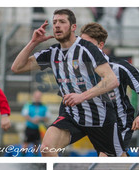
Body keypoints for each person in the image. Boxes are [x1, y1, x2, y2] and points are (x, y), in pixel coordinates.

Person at [11, 9, 123, 157]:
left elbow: (111, 80)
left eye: (62, 22)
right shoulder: (52, 52)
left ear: (73, 27)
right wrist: (33, 42)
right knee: (46, 148)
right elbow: (16, 67)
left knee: (116, 160)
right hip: (72, 115)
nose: (57, 25)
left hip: (100, 117)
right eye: (55, 22)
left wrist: (82, 96)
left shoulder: (87, 49)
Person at [79, 22, 139, 154]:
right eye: (81, 44)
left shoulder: (119, 67)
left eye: (88, 44)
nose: (83, 49)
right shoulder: (79, 69)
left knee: (107, 157)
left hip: (120, 124)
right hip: (98, 126)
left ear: (100, 45)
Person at [21, 90, 51, 156]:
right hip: (29, 127)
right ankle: (21, 158)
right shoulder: (28, 104)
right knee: (25, 144)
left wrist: (40, 118)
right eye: (36, 96)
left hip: (38, 128)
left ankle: (36, 161)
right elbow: (24, 114)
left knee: (36, 146)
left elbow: (48, 117)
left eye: (39, 97)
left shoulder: (44, 106)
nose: (37, 98)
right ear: (34, 96)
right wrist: (32, 120)